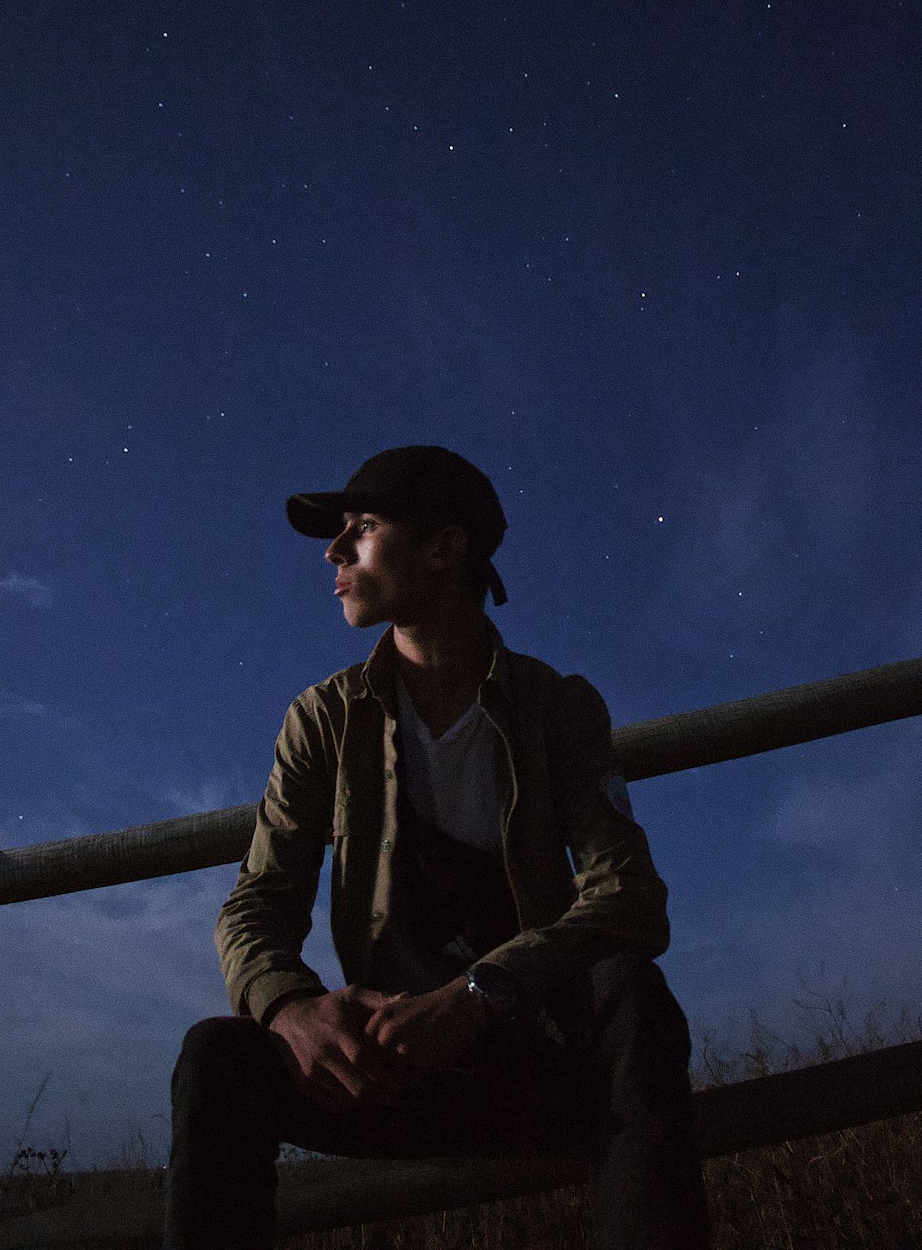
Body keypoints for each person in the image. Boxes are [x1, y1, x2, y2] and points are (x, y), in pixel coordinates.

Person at [164, 445, 712, 1249]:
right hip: (388, 1071)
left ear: (444, 550)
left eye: (363, 528)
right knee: (216, 1057)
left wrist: (478, 996)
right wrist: (290, 1008)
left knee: (632, 997)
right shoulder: (324, 718)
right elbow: (258, 904)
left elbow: (628, 896)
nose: (334, 552)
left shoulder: (556, 708)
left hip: (539, 1061)